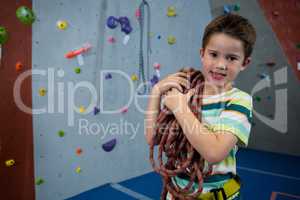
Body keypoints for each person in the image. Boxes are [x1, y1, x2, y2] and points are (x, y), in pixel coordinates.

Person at [145, 13, 256, 200]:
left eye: (231, 58)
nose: (221, 64)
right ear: (202, 54)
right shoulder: (186, 91)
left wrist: (180, 108)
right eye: (213, 54)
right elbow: (153, 138)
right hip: (176, 193)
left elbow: (214, 153)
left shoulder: (239, 100)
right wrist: (156, 93)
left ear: (245, 63)